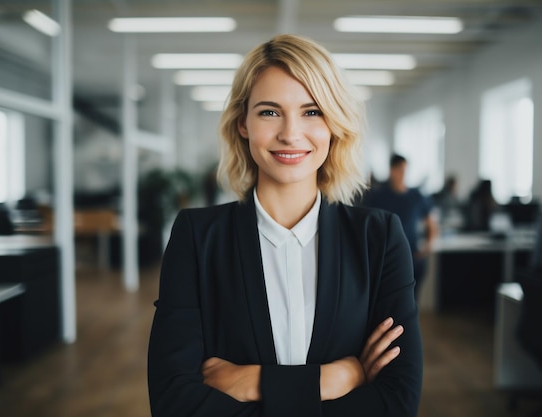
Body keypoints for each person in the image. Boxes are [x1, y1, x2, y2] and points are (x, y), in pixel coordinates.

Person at [147, 34, 422, 417]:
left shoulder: (379, 238)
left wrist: (251, 382)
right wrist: (338, 377)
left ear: (333, 124)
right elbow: (174, 401)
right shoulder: (197, 236)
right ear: (243, 123)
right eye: (269, 112)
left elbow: (396, 402)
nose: (290, 133)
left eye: (311, 112)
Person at [362, 153, 438, 300]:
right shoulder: (378, 196)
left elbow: (431, 224)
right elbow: (367, 225)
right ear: (391, 170)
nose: (402, 174)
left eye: (404, 170)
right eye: (399, 170)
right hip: (386, 256)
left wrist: (428, 245)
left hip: (413, 255)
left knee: (412, 298)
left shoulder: (415, 196)